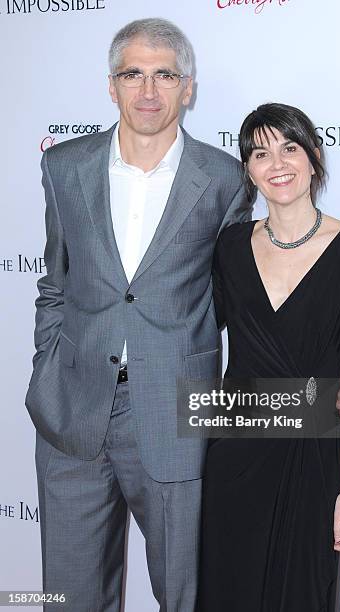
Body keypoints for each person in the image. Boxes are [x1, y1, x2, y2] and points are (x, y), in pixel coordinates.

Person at [24, 17, 251, 612]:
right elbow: (55, 280)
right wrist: (47, 372)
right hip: (72, 412)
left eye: (163, 75)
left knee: (185, 594)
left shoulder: (224, 178)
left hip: (175, 413)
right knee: (68, 597)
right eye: (133, 75)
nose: (148, 92)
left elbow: (226, 296)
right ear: (111, 85)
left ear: (188, 87)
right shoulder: (65, 167)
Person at [197, 103, 340, 611]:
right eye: (260, 152)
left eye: (289, 147)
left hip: (313, 463)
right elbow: (189, 328)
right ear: (248, 170)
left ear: (314, 157)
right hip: (233, 458)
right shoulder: (230, 246)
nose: (276, 163)